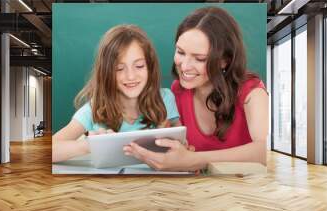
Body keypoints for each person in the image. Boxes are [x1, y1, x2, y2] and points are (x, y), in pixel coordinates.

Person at [123, 7, 269, 171]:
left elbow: (264, 151)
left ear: (224, 61)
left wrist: (193, 159)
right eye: (180, 52)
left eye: (199, 59)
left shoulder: (252, 92)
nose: (184, 66)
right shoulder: (178, 90)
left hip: (246, 192)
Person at [52, 25, 180, 162]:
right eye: (119, 68)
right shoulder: (95, 107)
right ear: (107, 72)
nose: (130, 76)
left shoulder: (165, 99)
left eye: (139, 66)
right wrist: (89, 145)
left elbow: (181, 143)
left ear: (150, 67)